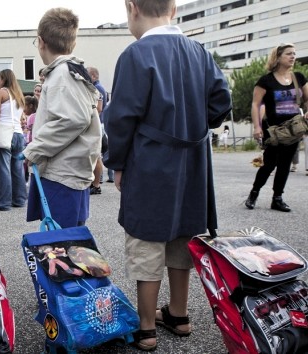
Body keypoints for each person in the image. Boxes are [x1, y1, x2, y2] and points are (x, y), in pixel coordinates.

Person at [103, 0, 231, 351]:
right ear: (173, 8)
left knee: (147, 239)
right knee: (181, 234)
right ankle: (179, 313)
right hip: (192, 161)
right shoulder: (199, 52)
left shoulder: (135, 54)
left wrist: (117, 162)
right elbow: (221, 102)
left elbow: (121, 118)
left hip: (150, 162)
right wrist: (192, 123)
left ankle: (147, 328)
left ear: (132, 8)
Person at [22, 8, 101, 228]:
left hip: (62, 175)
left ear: (40, 41)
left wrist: (34, 150)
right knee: (68, 247)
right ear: (72, 43)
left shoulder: (62, 74)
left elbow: (72, 119)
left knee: (62, 250)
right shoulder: (70, 72)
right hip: (69, 173)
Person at [245, 43, 308, 212]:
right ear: (278, 57)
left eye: (294, 54)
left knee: (285, 165)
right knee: (269, 164)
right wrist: (257, 127)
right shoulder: (266, 80)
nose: (293, 57)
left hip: (293, 130)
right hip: (273, 130)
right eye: (289, 54)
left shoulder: (299, 78)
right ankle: (254, 193)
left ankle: (277, 198)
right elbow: (255, 104)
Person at [0, 69, 27, 211]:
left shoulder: (1, 92)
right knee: (17, 168)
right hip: (18, 134)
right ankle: (19, 199)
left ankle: (2, 203)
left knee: (3, 169)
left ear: (4, 79)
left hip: (5, 133)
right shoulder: (19, 95)